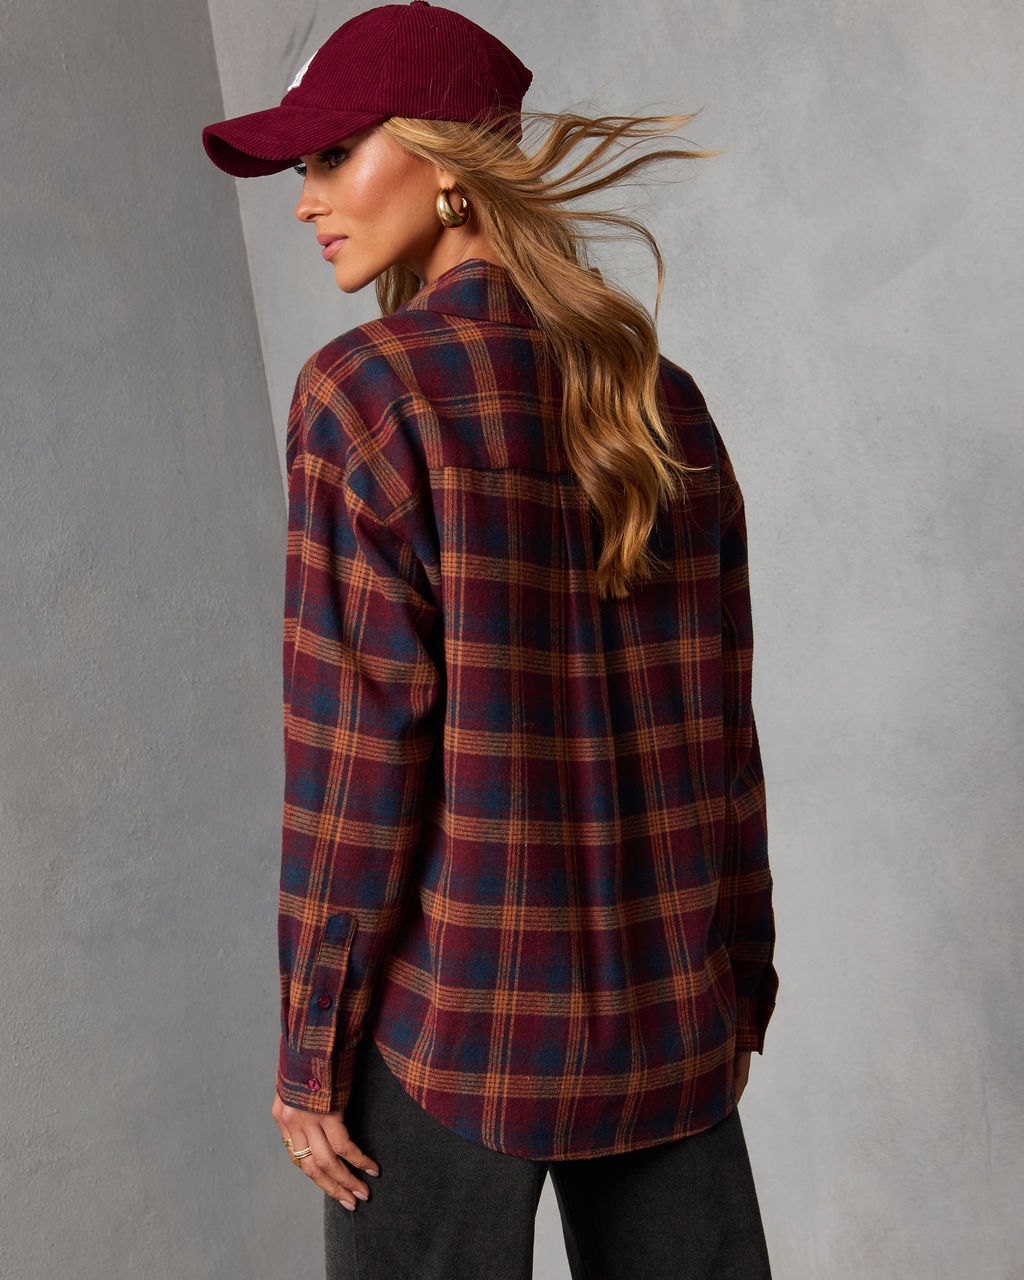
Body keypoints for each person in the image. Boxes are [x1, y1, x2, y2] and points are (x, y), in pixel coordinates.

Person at [202, 3, 780, 1276]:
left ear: (445, 165)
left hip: (452, 1035)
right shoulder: (661, 398)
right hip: (668, 1019)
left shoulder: (367, 392)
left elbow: (354, 768)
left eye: (331, 155)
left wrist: (311, 1050)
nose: (305, 201)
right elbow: (721, 739)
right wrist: (739, 977)